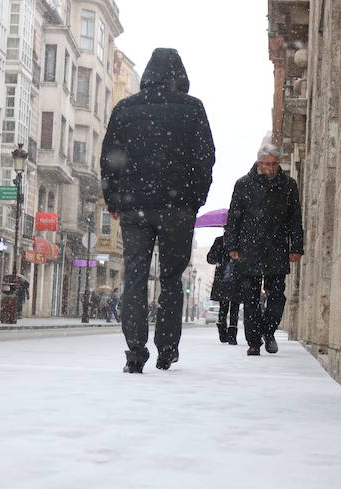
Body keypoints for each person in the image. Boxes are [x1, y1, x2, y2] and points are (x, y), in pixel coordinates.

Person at [101, 48, 215, 373]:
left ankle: (135, 352)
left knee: (135, 276)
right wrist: (195, 198)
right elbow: (205, 157)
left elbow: (110, 156)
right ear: (180, 75)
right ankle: (167, 349)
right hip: (177, 207)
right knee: (171, 278)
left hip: (135, 207)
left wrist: (114, 200)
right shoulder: (192, 109)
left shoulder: (126, 108)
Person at [223, 144, 304, 356]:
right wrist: (231, 246)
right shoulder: (243, 184)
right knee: (250, 298)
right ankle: (254, 342)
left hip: (276, 247)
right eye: (267, 164)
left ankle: (269, 331)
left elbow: (295, 219)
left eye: (274, 164)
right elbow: (234, 217)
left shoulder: (288, 186)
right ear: (259, 163)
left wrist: (296, 246)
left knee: (277, 296)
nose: (271, 168)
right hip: (249, 248)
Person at [206, 236, 239, 344]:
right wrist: (219, 256)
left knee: (230, 307)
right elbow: (210, 258)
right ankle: (226, 333)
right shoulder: (221, 241)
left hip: (233, 278)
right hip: (226, 278)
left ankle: (228, 333)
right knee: (228, 307)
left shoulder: (223, 240)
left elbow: (210, 258)